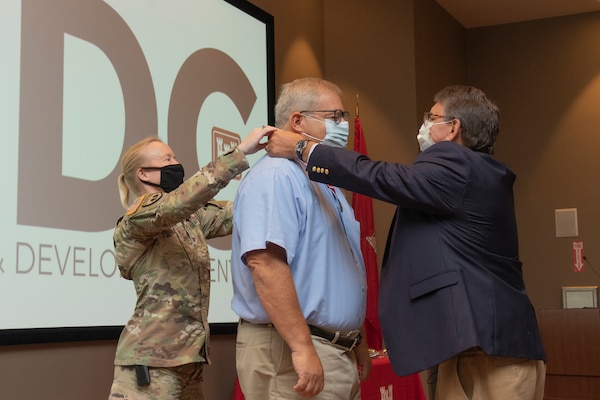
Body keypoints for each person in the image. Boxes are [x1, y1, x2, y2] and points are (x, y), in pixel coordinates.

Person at [266, 85, 547, 400]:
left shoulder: (456, 161)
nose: (425, 124)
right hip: (489, 345)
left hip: (486, 351)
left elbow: (381, 176)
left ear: (453, 128)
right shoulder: (480, 172)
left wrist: (305, 149)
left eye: (432, 117)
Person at [230, 77, 372, 399]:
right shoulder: (277, 175)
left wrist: (355, 339)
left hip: (334, 349)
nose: (343, 126)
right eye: (335, 117)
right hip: (293, 349)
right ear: (298, 121)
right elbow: (265, 264)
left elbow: (337, 270)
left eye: (344, 117)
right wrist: (301, 346)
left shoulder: (323, 182)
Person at [108, 128, 268, 400]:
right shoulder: (138, 219)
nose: (176, 164)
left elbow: (239, 211)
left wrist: (279, 169)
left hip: (189, 361)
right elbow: (176, 204)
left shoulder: (189, 219)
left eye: (174, 157)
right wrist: (238, 154)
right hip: (152, 364)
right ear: (143, 174)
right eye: (166, 159)